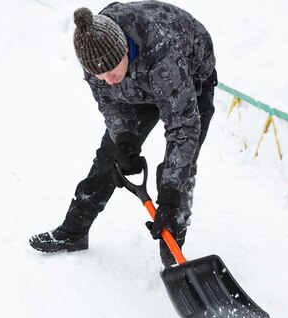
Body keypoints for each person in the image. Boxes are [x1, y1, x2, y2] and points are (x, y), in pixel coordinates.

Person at [29, 1, 217, 267]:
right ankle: (74, 231)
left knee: (177, 174)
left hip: (190, 82)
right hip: (138, 85)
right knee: (110, 156)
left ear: (124, 50)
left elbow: (183, 128)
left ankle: (173, 256)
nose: (106, 78)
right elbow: (109, 102)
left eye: (111, 70)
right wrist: (125, 140)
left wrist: (170, 198)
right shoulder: (95, 52)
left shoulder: (163, 52)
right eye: (99, 74)